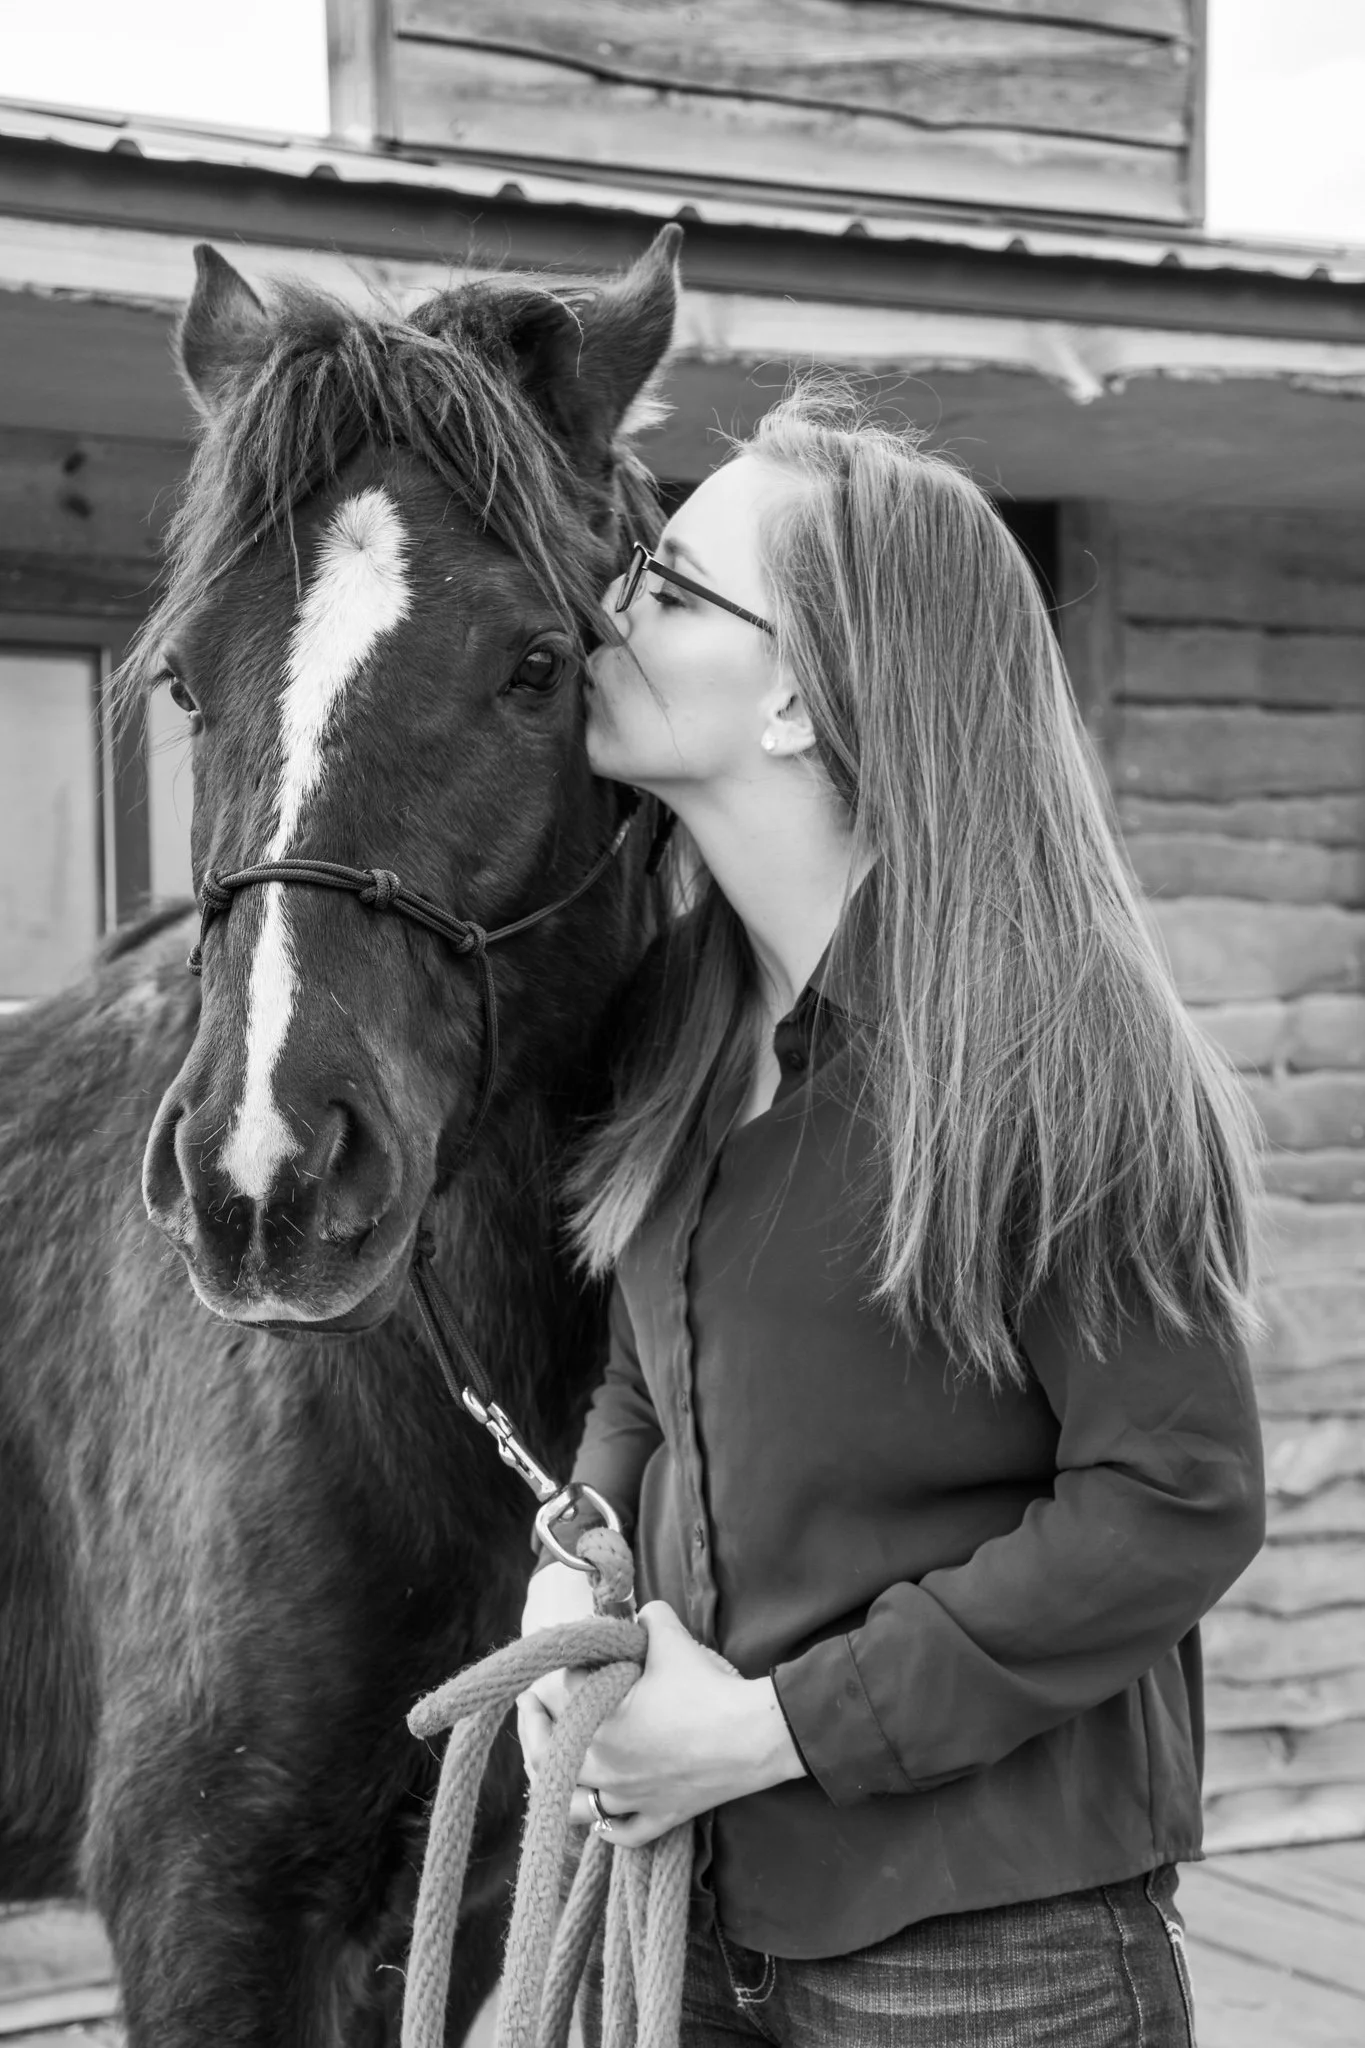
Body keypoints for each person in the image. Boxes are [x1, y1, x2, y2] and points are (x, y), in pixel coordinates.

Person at [517, 384, 1265, 2047]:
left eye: (666, 584)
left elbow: (1173, 1500)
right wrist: (572, 1566)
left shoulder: (1052, 1048)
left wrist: (766, 1732)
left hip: (987, 1955)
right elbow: (649, 1378)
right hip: (696, 1921)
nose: (606, 610)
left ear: (802, 697)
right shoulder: (686, 1026)